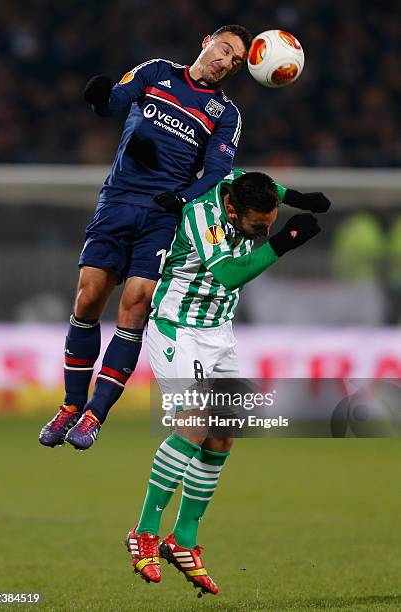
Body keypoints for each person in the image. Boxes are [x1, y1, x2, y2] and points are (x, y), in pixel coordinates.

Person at [39, 24, 253, 450]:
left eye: (236, 61)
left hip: (162, 215)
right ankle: (70, 406)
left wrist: (180, 199)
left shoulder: (225, 114)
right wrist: (101, 98)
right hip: (117, 201)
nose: (226, 62)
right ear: (206, 41)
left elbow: (214, 173)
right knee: (87, 299)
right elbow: (114, 102)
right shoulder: (157, 72)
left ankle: (95, 416)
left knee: (135, 305)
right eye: (225, 49)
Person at [125, 169, 330, 595]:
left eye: (271, 223)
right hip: (179, 327)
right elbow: (231, 275)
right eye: (258, 226)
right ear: (233, 210)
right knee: (195, 423)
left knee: (222, 434)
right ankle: (143, 531)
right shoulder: (204, 215)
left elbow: (260, 181)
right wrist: (285, 240)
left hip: (220, 331)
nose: (265, 230)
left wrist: (297, 197)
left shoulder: (240, 186)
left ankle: (182, 540)